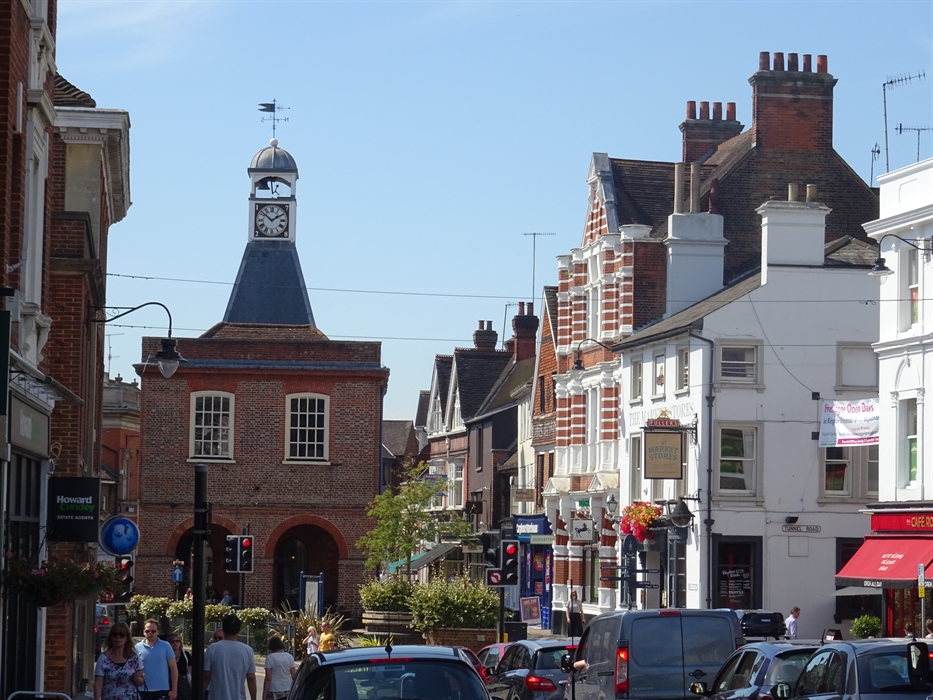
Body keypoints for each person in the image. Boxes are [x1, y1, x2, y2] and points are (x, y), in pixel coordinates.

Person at [204, 613, 257, 700]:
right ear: (239, 630)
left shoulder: (212, 648)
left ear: (223, 629)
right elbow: (251, 678)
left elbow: (206, 675)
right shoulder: (247, 650)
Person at [94, 621, 146, 700]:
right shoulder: (103, 658)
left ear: (127, 638)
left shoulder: (134, 657)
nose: (118, 637)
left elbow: (142, 682)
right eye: (115, 634)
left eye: (121, 635)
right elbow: (98, 683)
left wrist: (137, 679)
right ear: (111, 637)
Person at [136, 618, 178, 700]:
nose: (150, 633)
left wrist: (174, 690)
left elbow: (173, 668)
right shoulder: (137, 647)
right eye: (148, 631)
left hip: (162, 690)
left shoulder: (166, 646)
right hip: (143, 690)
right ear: (144, 632)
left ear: (158, 632)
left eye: (153, 631)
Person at [167, 634, 193, 700]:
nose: (175, 643)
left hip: (184, 684)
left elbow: (190, 670)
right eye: (173, 641)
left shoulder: (186, 655)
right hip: (169, 683)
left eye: (177, 641)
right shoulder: (166, 655)